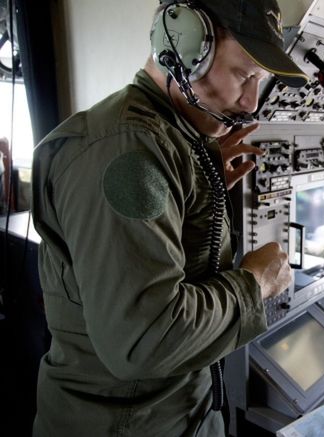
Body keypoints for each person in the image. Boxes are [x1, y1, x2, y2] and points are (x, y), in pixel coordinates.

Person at [30, 1, 308, 436]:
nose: (252, 103)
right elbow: (146, 340)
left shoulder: (175, 140)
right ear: (184, 45)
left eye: (261, 81)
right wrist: (257, 283)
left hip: (182, 413)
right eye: (244, 75)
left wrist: (197, 195)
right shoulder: (128, 153)